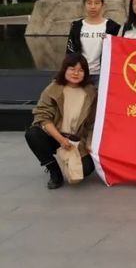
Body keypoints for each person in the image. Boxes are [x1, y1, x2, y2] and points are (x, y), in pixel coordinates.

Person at [24, 53, 97, 189]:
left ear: (86, 73)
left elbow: (92, 123)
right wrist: (61, 140)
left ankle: (67, 159)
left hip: (76, 140)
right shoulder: (53, 89)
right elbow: (42, 117)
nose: (76, 73)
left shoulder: (91, 92)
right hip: (55, 136)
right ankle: (54, 170)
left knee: (86, 169)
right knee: (33, 134)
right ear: (64, 70)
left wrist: (88, 141)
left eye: (80, 70)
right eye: (72, 69)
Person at [66, 0, 121, 85]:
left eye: (97, 3)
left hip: (102, 75)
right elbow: (70, 51)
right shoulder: (76, 26)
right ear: (84, 5)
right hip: (80, 74)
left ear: (103, 5)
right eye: (89, 3)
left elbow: (118, 52)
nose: (93, 6)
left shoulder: (113, 27)